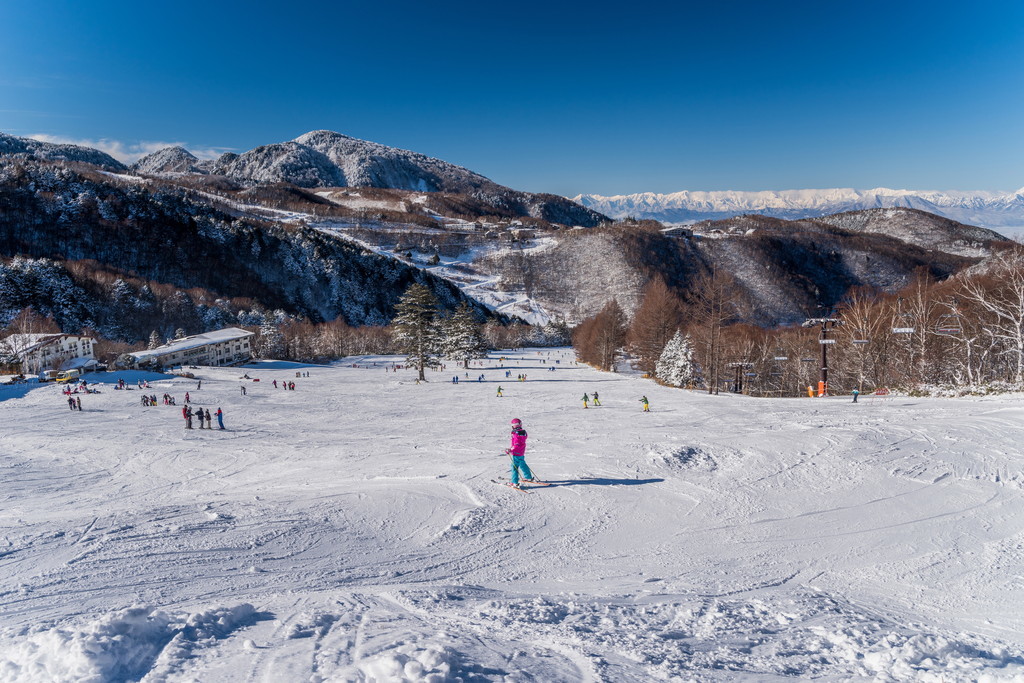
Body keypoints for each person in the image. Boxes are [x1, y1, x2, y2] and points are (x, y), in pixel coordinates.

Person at [506, 418, 541, 489]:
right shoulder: (523, 432)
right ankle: (528, 477)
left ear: (513, 426)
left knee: (514, 467)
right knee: (522, 464)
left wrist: (510, 450)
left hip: (516, 452)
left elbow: (516, 444)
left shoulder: (516, 434)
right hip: (521, 451)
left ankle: (514, 482)